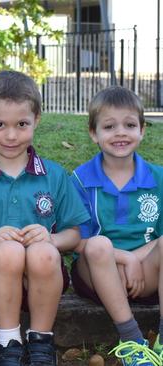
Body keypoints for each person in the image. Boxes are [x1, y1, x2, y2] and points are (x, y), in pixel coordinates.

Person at [0, 70, 89, 366]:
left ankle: (41, 341)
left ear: (36, 120)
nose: (11, 135)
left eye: (21, 124)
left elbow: (75, 234)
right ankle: (8, 343)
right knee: (10, 250)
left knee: (42, 250)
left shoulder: (53, 175)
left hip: (44, 281)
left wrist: (51, 238)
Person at [70, 86, 163, 366]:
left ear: (143, 130)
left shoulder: (158, 177)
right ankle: (132, 341)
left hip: (145, 274)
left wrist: (135, 258)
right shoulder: (80, 179)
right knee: (99, 244)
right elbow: (76, 241)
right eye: (109, 126)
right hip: (96, 274)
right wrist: (123, 257)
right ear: (93, 133)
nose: (120, 132)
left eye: (130, 125)